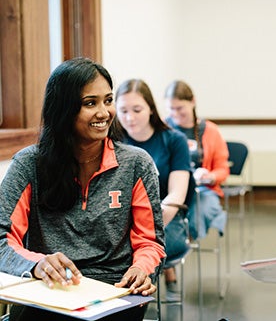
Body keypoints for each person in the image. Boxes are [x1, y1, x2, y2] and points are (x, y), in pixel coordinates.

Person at [0, 58, 166, 321]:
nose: (104, 113)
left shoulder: (136, 164)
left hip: (115, 292)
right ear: (63, 109)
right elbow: (2, 240)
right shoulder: (29, 164)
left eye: (108, 100)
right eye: (90, 103)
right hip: (47, 289)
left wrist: (142, 269)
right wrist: (36, 264)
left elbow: (150, 242)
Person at [115, 78, 192, 302]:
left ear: (150, 108)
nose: (129, 117)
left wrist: (146, 227)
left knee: (135, 253)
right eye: (123, 110)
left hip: (166, 218)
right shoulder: (114, 141)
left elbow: (177, 194)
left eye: (137, 109)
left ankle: (135, 302)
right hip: (122, 222)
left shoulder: (174, 140)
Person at [164, 80, 229, 240]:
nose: (176, 113)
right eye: (171, 109)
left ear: (192, 102)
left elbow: (223, 169)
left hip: (204, 189)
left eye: (180, 108)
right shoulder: (164, 129)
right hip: (171, 189)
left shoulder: (211, 131)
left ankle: (184, 244)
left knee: (199, 214)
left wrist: (210, 176)